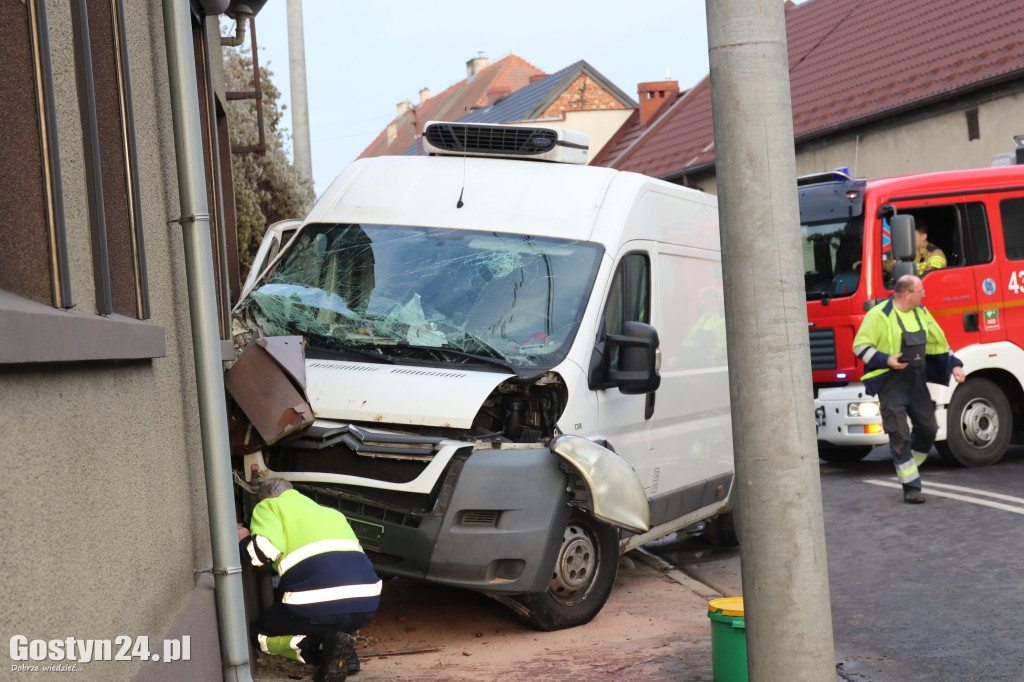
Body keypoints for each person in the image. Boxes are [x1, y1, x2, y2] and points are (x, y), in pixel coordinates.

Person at [239, 478, 381, 681]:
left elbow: (262, 553)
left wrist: (243, 539)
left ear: (265, 498)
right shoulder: (333, 514)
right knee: (333, 613)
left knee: (260, 634)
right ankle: (345, 653)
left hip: (314, 606)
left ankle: (319, 648)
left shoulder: (270, 505)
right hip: (365, 605)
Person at [852, 274, 965, 503]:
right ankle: (911, 487)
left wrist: (955, 365)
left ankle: (907, 464)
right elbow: (860, 346)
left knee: (929, 430)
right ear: (906, 293)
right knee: (900, 434)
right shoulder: (879, 315)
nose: (923, 295)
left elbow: (939, 343)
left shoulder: (921, 313)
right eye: (920, 292)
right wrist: (886, 360)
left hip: (916, 382)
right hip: (891, 384)